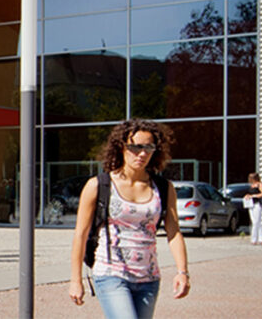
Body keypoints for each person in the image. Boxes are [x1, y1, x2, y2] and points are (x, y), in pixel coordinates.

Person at [68, 119, 192, 319]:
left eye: (148, 147)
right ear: (121, 148)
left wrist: (182, 272)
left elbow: (174, 231)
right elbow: (80, 235)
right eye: (135, 147)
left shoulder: (163, 187)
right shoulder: (99, 185)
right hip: (110, 273)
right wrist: (76, 280)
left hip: (149, 278)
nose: (142, 154)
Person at [241, 172, 262, 245]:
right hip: (251, 204)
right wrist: (247, 195)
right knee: (256, 221)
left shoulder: (260, 184)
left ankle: (253, 239)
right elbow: (250, 193)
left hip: (257, 204)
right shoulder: (251, 186)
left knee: (256, 222)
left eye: (252, 178)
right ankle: (261, 239)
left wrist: (254, 196)